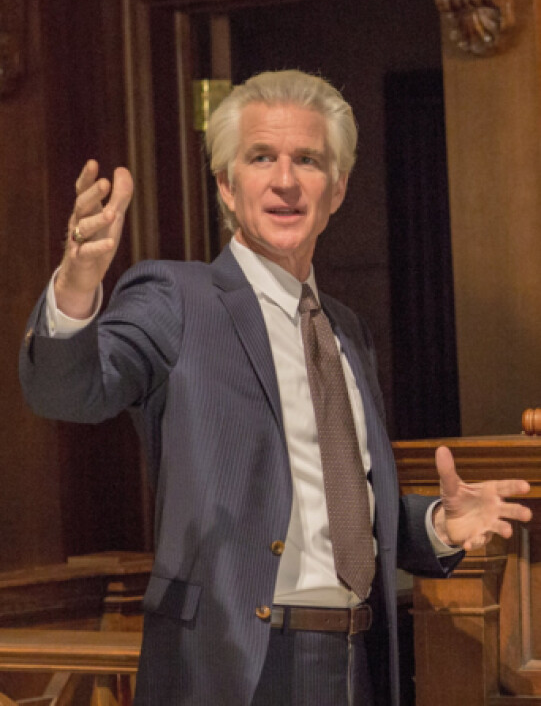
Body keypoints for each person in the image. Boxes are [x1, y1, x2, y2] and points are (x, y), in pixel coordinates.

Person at [19, 70, 531, 706]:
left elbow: (339, 504)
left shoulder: (347, 330)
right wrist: (76, 284)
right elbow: (65, 394)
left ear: (337, 189)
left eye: (308, 160)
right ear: (227, 186)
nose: (285, 180)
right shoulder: (177, 298)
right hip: (229, 668)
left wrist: (437, 525)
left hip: (355, 661)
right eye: (261, 157)